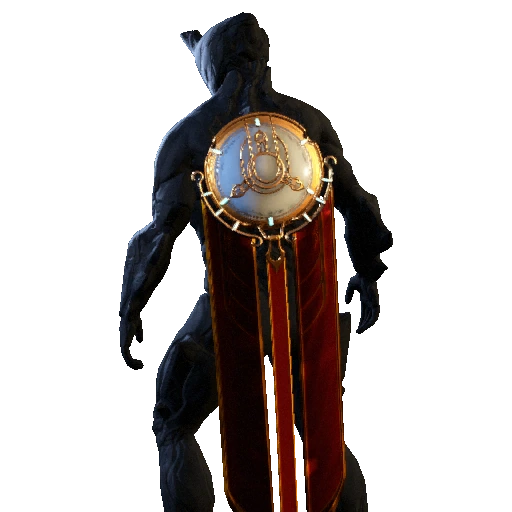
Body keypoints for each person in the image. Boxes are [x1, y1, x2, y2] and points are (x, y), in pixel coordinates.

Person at [120, 13, 391, 511]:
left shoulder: (191, 136)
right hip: (307, 311)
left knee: (174, 422)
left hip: (230, 311)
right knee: (327, 432)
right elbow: (359, 210)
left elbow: (161, 236)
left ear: (214, 63)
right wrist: (369, 278)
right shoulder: (306, 123)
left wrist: (132, 309)